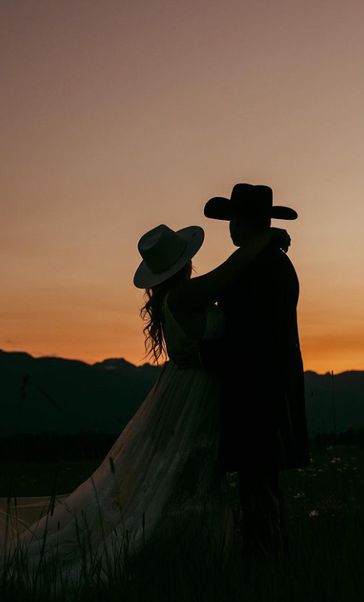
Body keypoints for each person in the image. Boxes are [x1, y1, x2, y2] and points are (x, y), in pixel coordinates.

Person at [0, 221, 290, 591]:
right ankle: (174, 554)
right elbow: (231, 271)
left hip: (187, 390)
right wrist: (265, 238)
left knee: (183, 476)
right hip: (194, 395)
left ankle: (191, 552)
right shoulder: (186, 296)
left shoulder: (177, 299)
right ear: (183, 264)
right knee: (183, 475)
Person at [190, 183, 310, 566]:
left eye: (233, 221)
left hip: (259, 391)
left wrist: (202, 353)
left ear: (244, 223)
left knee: (258, 484)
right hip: (265, 388)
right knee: (259, 483)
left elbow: (254, 336)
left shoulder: (263, 268)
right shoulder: (266, 263)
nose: (230, 229)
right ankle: (269, 562)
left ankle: (265, 565)